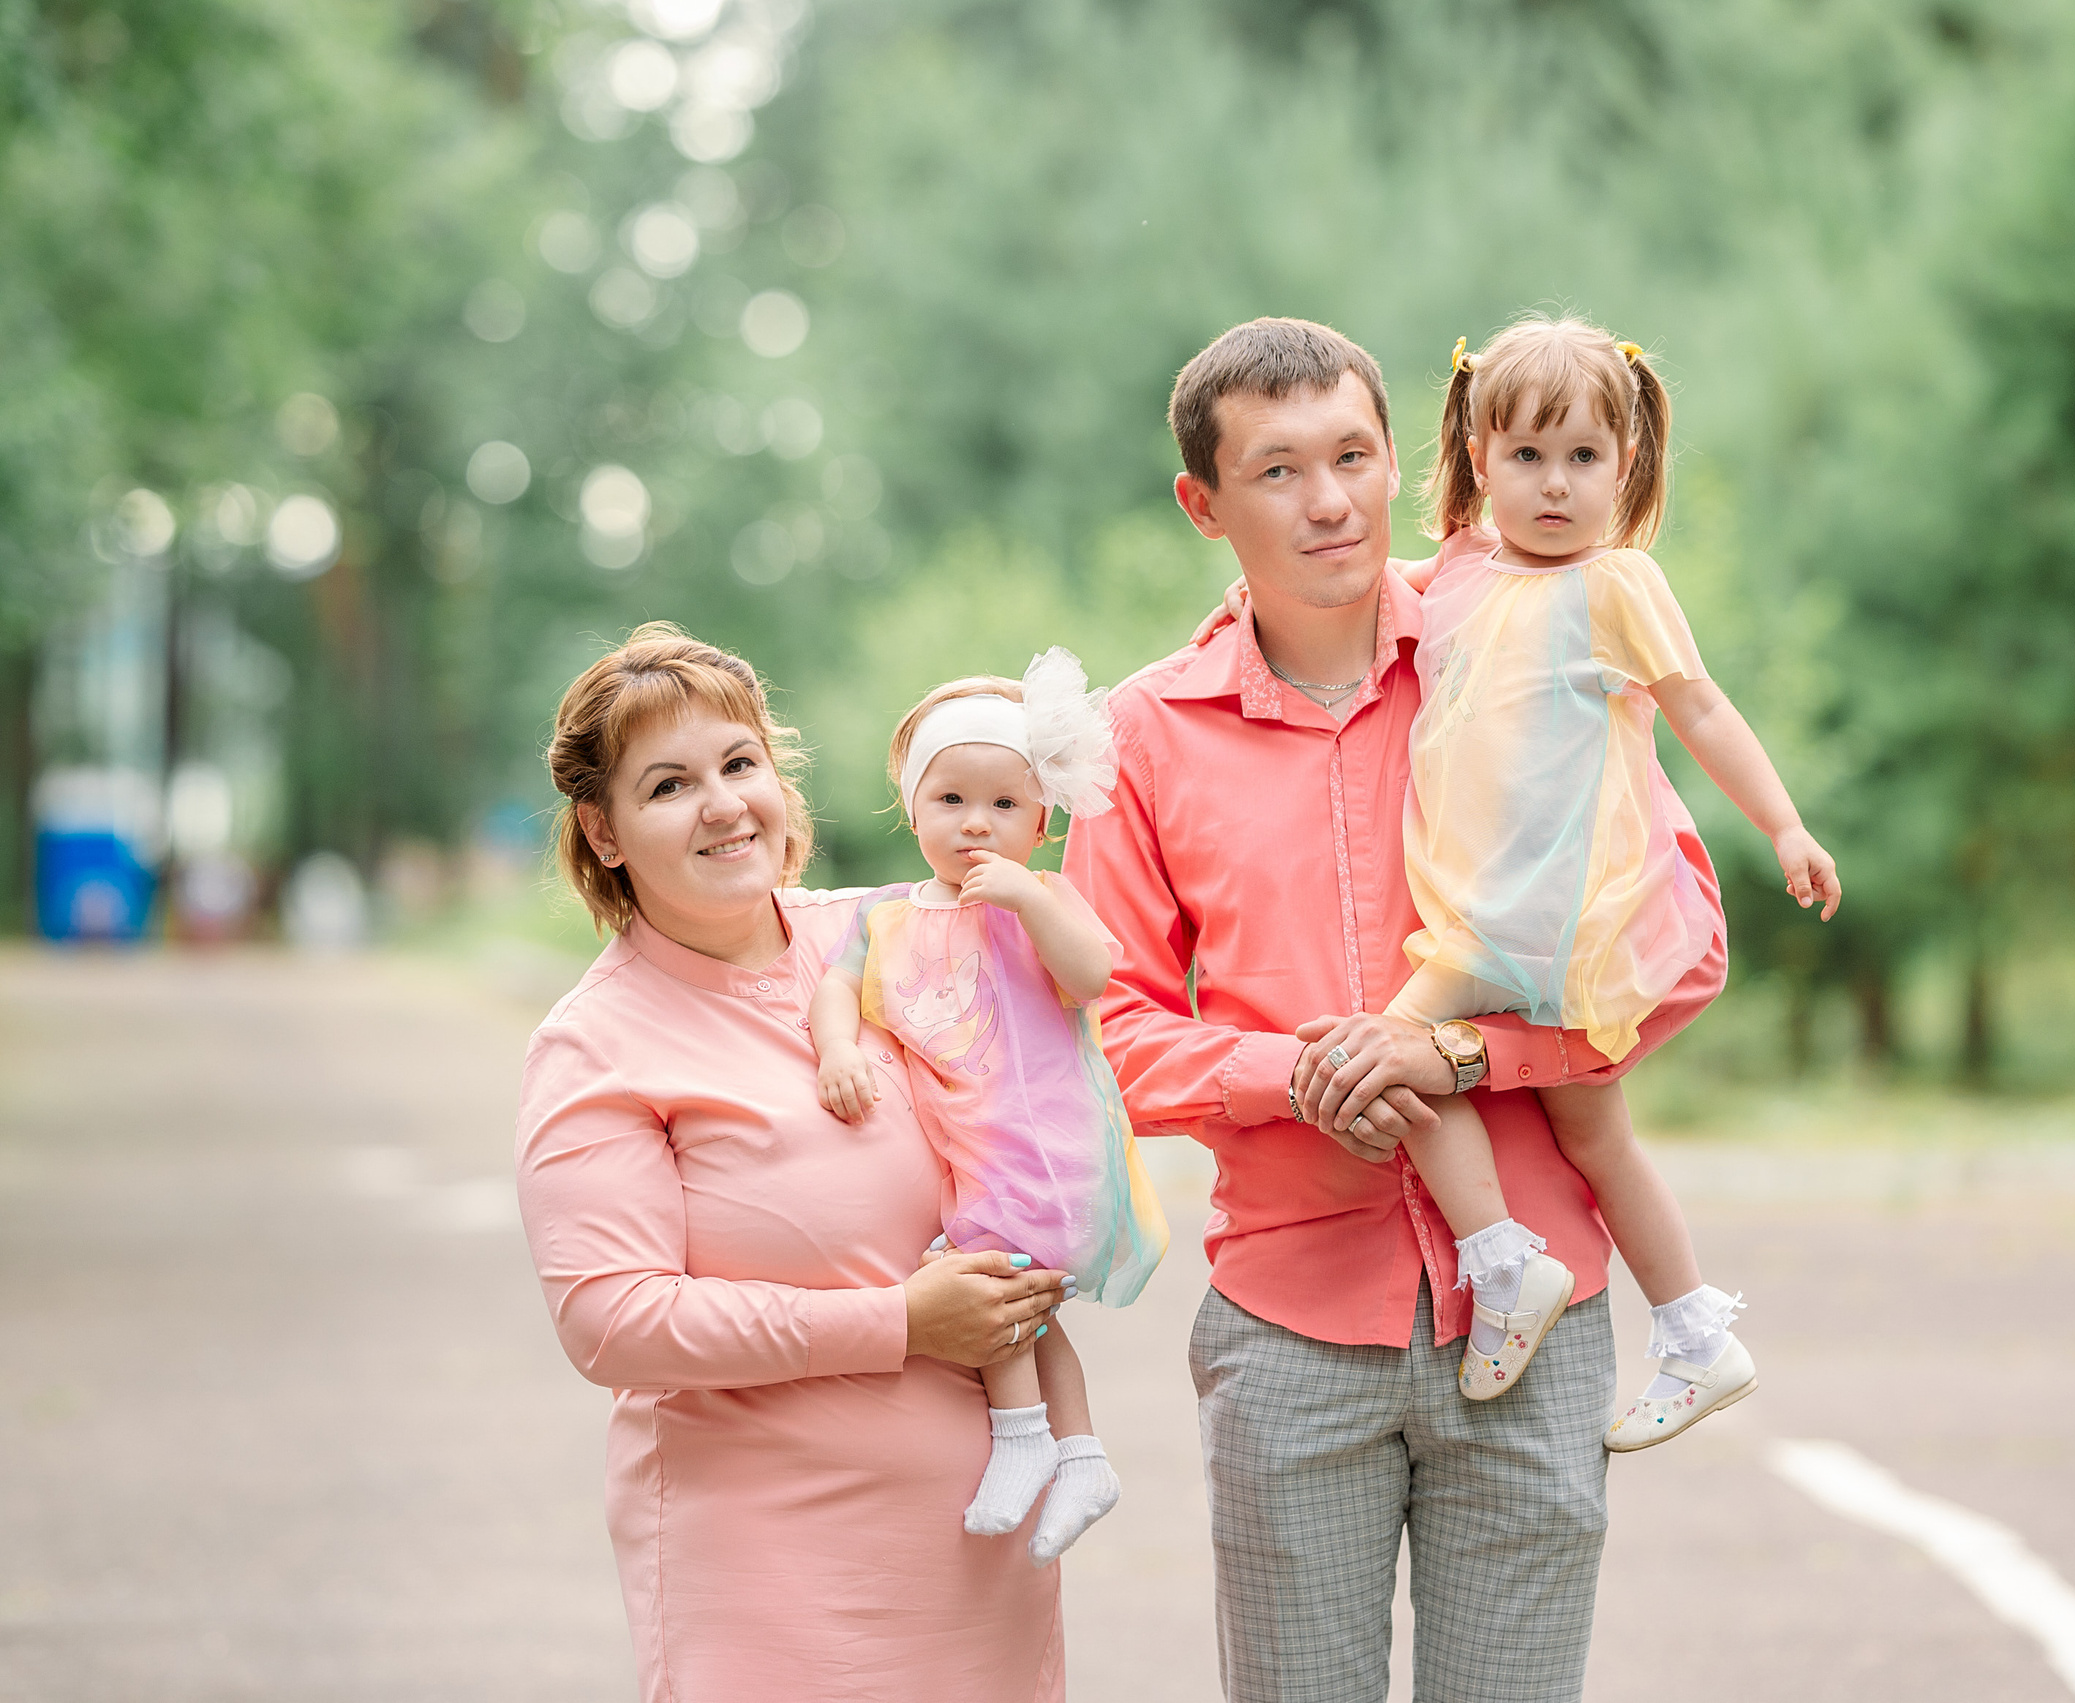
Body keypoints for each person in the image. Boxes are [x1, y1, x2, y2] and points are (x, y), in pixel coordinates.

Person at [1062, 317, 1726, 1703]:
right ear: (1204, 503)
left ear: (1405, 460)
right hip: (1292, 1324)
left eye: (1356, 455)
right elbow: (1108, 1032)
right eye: (1280, 469)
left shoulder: (1532, 631)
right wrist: (1293, 1072)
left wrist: (1461, 1047)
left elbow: (1679, 944)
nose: (1331, 500)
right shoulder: (1143, 735)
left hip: (1539, 1314)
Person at [515, 623, 1072, 1703]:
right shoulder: (595, 1043)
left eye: (739, 763)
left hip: (980, 1544)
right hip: (767, 1568)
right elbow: (612, 1319)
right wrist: (902, 1322)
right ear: (606, 829)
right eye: (669, 783)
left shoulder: (893, 935)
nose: (723, 803)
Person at [1372, 313, 1842, 1450]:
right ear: (1479, 458)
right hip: (1483, 901)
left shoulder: (1617, 583)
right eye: (1526, 457)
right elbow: (1339, 596)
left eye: (1583, 458)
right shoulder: (1456, 574)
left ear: (1623, 466)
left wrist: (1782, 824)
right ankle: (1691, 1329)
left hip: (1541, 914)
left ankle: (1498, 1258)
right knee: (1596, 1134)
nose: (1553, 485)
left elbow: (1704, 709)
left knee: (1384, 1061)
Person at [809, 651, 1168, 1565]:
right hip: (970, 1155)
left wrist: (1026, 898)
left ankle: (1023, 1439)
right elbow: (835, 986)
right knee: (1031, 1311)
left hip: (1045, 1148)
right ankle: (1081, 1454)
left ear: (1041, 820)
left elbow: (1091, 975)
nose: (978, 825)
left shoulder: (1040, 897)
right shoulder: (887, 915)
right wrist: (839, 1045)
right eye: (952, 801)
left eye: (1004, 806)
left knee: (995, 1288)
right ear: (912, 807)